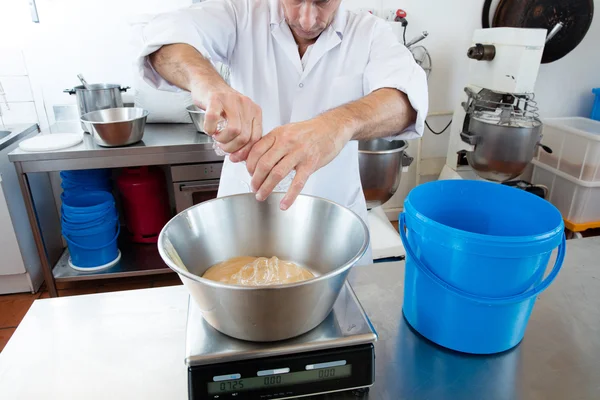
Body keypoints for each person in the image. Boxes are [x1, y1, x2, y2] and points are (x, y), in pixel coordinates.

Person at [138, 0, 428, 265]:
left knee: (344, 316)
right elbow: (165, 39)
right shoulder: (242, 14)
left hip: (334, 231)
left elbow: (406, 99)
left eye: (322, 2)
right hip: (246, 219)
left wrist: (337, 124)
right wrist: (210, 86)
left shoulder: (369, 33)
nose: (306, 19)